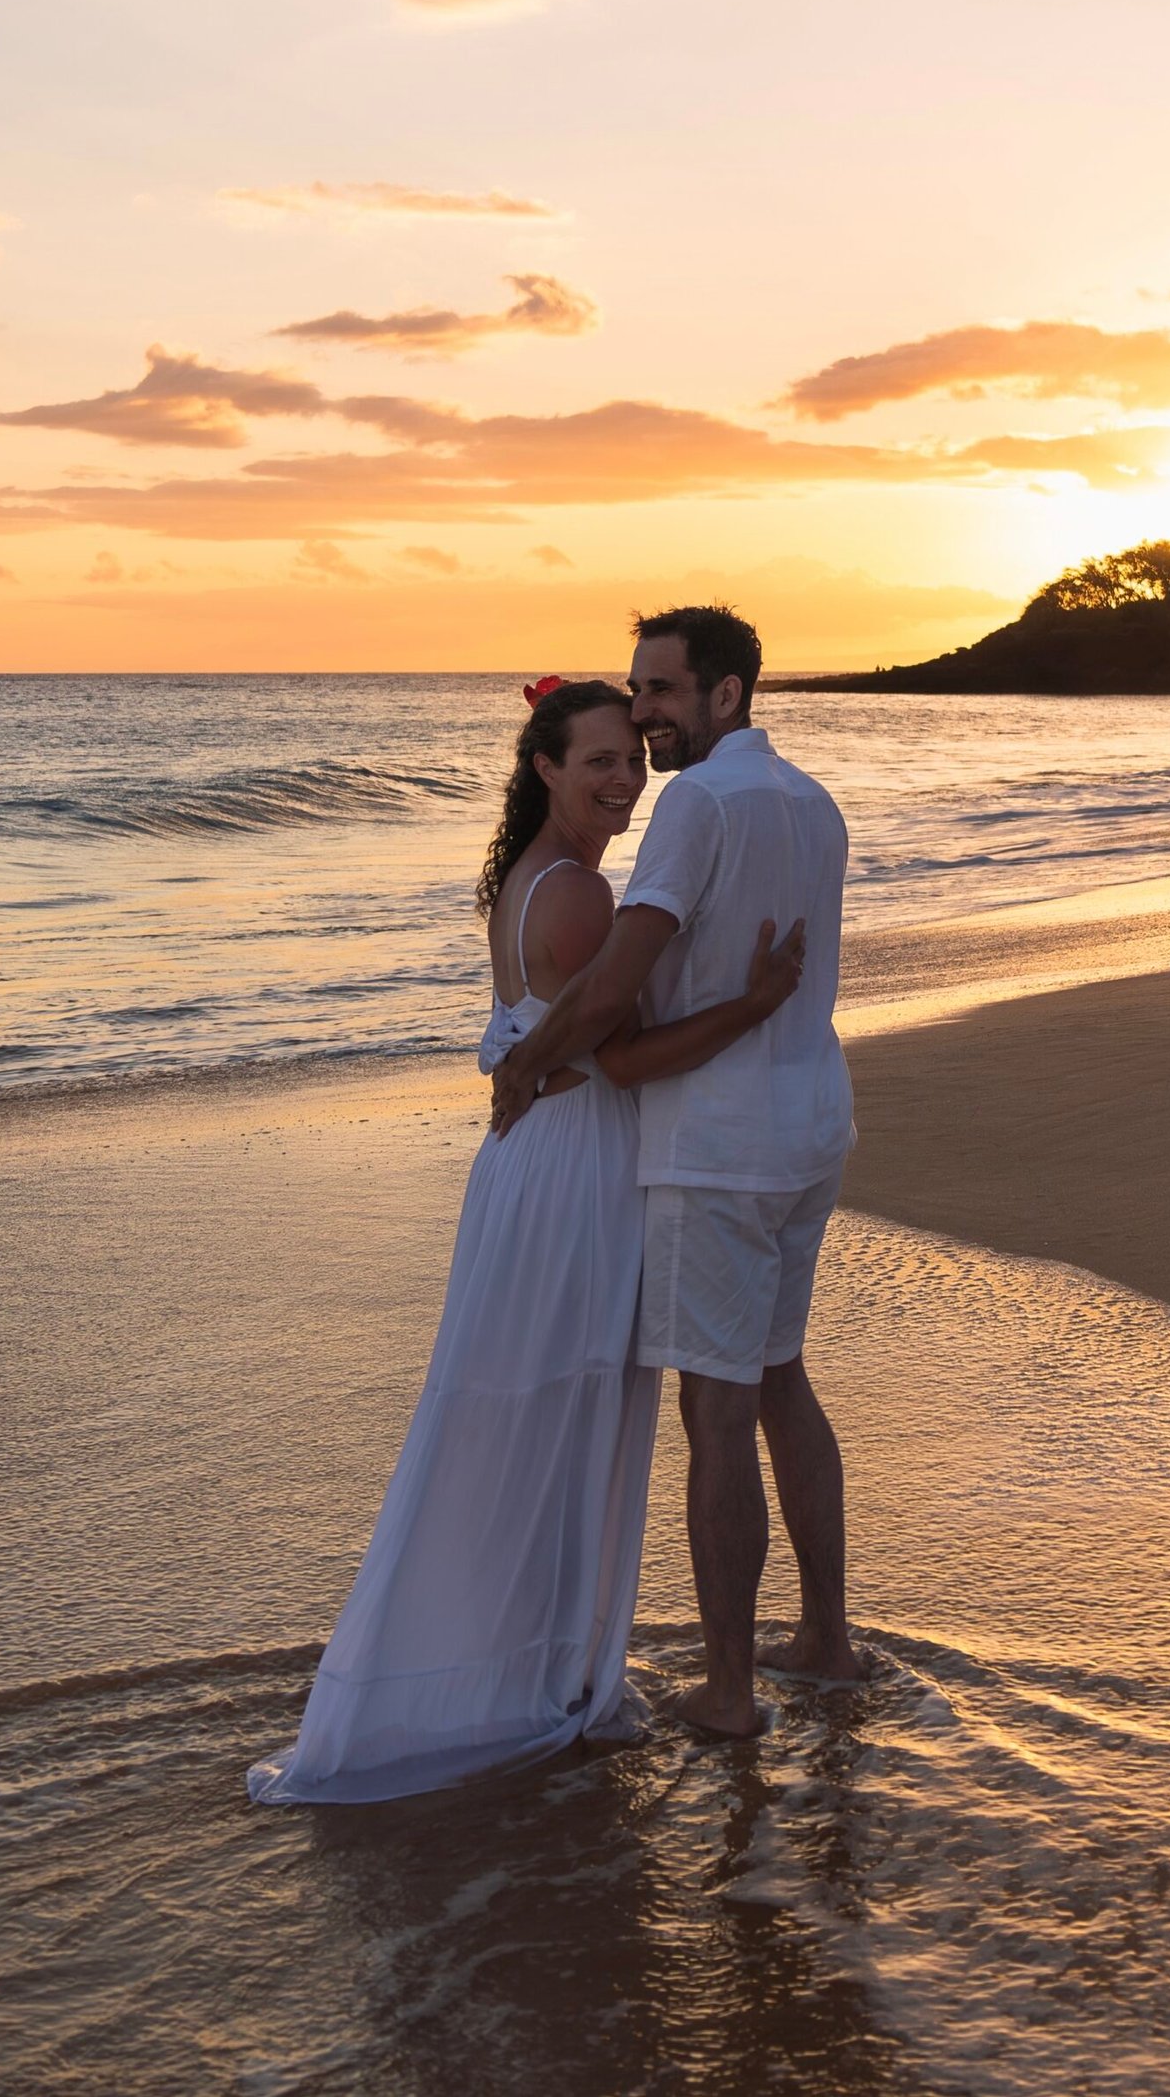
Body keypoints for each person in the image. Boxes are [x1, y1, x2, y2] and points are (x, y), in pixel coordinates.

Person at [248, 678, 805, 1804]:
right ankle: (533, 1681)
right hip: (573, 1174)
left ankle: (517, 1667)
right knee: (568, 1409)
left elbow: (569, 1041)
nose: (621, 778)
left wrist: (532, 1061)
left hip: (531, 1165)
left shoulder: (530, 881)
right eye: (594, 759)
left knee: (528, 1409)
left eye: (630, 759)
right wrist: (754, 1006)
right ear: (542, 768)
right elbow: (635, 1060)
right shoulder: (580, 903)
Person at [491, 606, 862, 1741]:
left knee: (717, 1409)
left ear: (725, 696)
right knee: (781, 1378)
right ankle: (825, 1640)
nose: (643, 712)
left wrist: (524, 1064)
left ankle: (733, 1691)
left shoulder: (698, 803)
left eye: (658, 691)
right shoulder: (811, 799)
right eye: (637, 693)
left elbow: (608, 990)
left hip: (717, 1143)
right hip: (810, 1122)